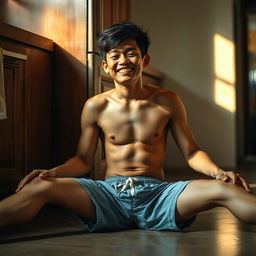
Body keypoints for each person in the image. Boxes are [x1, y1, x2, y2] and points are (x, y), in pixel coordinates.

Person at [0, 22, 255, 231]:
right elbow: (82, 160)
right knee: (40, 186)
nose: (124, 60)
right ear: (106, 66)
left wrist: (218, 172)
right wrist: (52, 172)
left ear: (144, 59)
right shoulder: (95, 106)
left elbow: (192, 153)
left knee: (224, 188)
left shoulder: (167, 101)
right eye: (115, 55)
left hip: (159, 195)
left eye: (131, 52)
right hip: (107, 194)